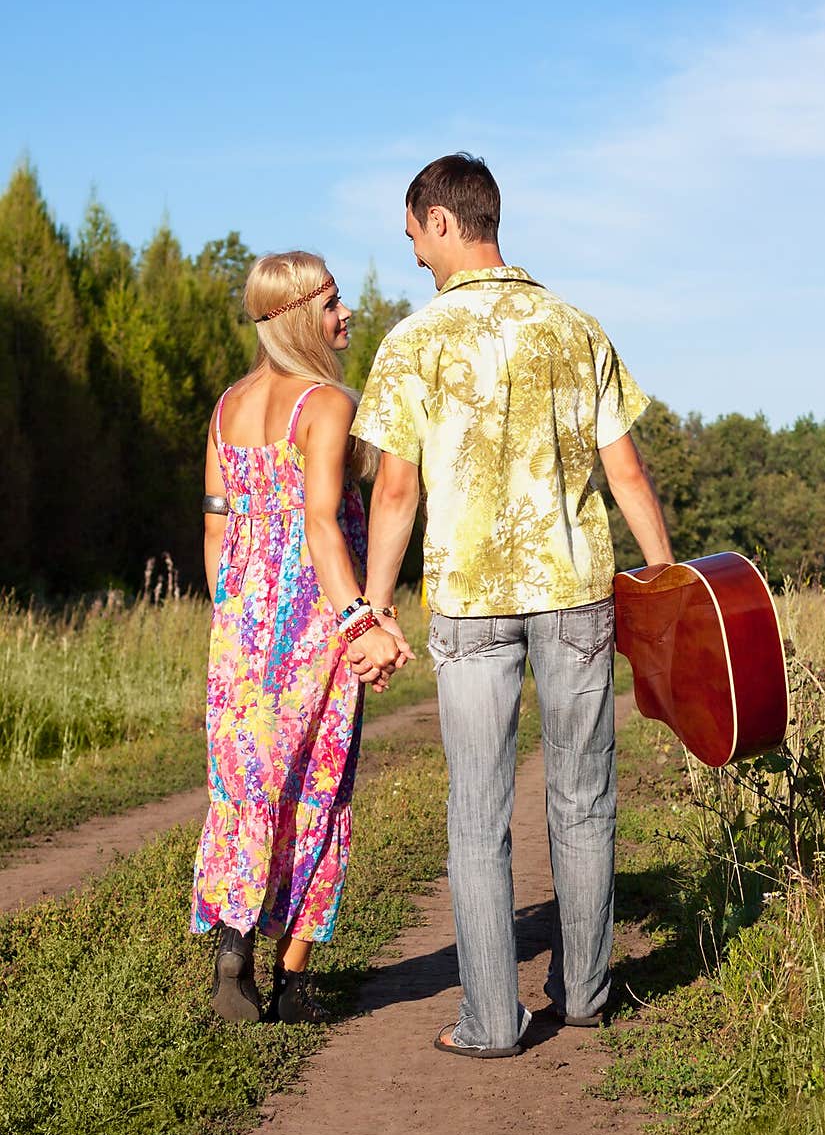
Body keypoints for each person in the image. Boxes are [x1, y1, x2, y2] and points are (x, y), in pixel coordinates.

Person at [349, 153, 674, 1058]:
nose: (413, 252)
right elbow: (627, 474)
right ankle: (583, 995)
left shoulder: (414, 342)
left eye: (413, 233)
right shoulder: (578, 331)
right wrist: (668, 583)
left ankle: (492, 1022)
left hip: (472, 603)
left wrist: (375, 605)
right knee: (583, 798)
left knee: (475, 812)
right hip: (575, 596)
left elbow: (395, 495)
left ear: (444, 221)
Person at [192, 250, 411, 1025]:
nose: (344, 314)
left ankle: (232, 948)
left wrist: (236, 615)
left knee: (245, 787)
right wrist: (360, 618)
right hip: (313, 613)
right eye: (332, 303)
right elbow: (322, 522)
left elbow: (216, 532)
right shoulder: (323, 404)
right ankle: (298, 977)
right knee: (317, 785)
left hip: (241, 621)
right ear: (297, 317)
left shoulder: (226, 406)